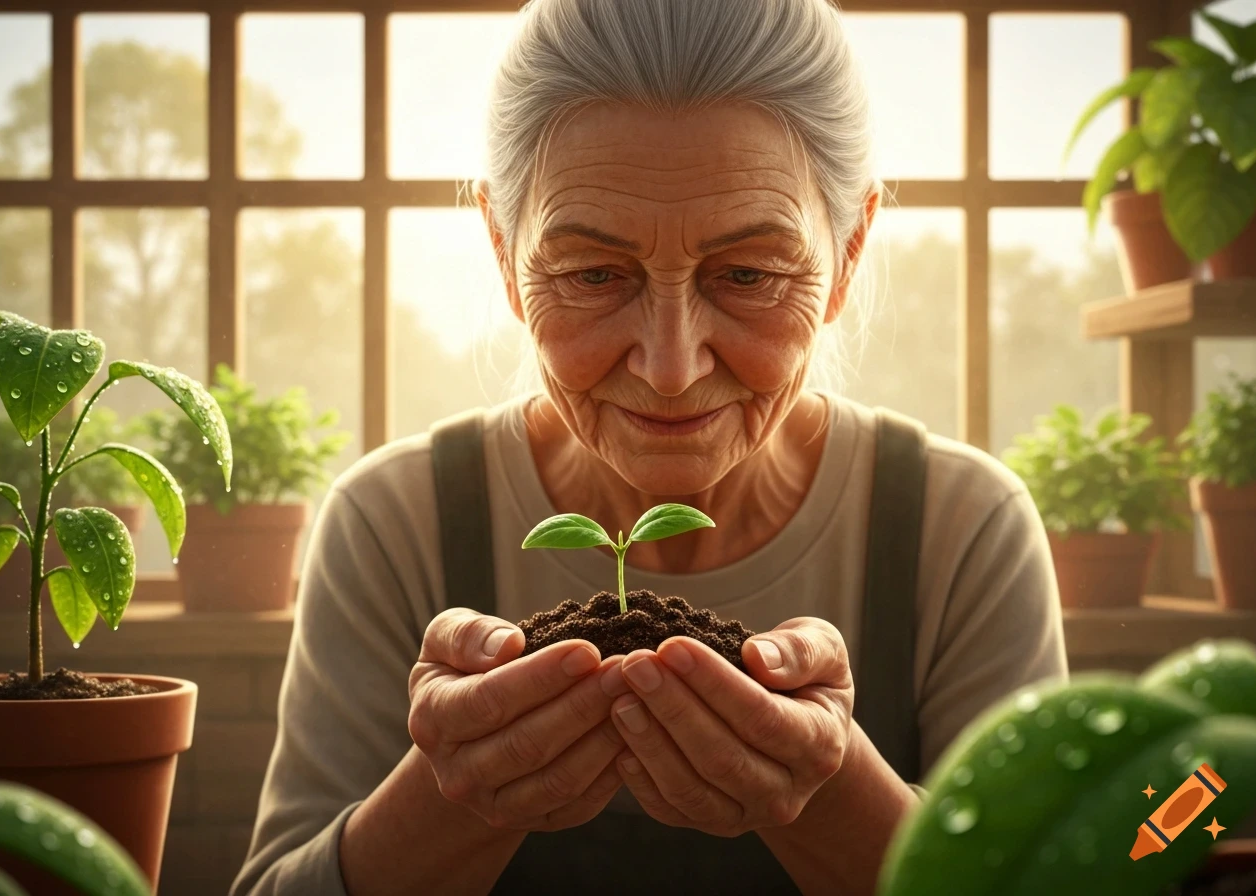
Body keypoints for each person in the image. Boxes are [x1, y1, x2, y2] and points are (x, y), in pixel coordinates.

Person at [231, 0, 1067, 893]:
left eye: (747, 274)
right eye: (594, 274)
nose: (670, 368)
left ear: (849, 255)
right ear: (505, 254)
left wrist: (833, 796)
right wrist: (452, 800)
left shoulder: (961, 531)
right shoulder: (393, 524)